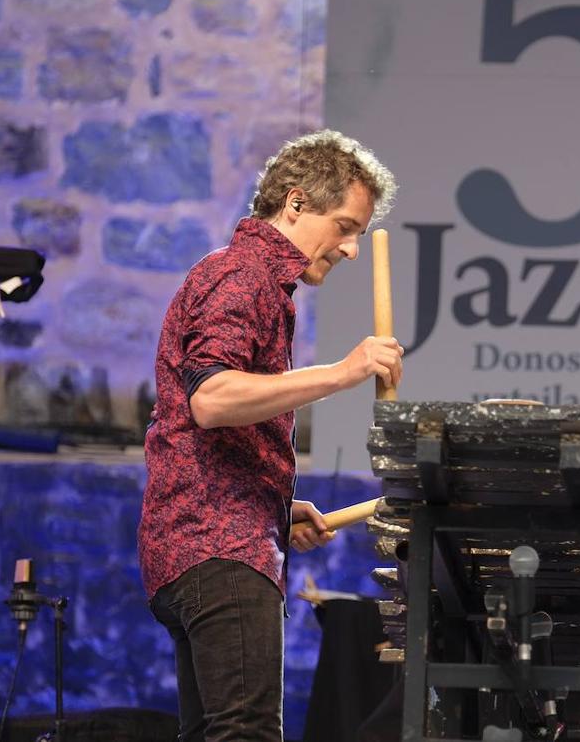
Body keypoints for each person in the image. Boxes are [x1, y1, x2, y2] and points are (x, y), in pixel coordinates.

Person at [138, 129, 404, 742]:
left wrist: (274, 509)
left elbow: (213, 426)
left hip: (206, 540)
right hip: (217, 546)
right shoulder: (241, 275)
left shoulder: (253, 281)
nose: (352, 249)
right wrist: (344, 371)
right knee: (245, 733)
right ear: (295, 203)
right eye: (345, 227)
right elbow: (211, 399)